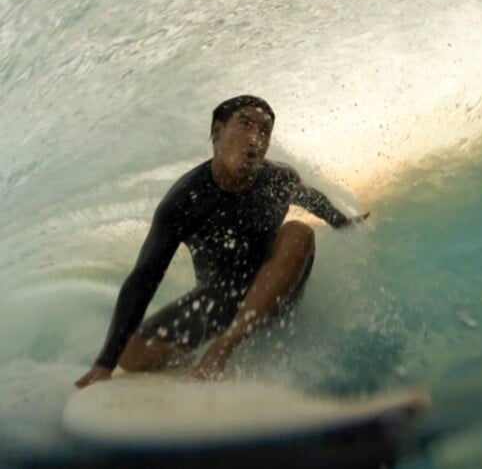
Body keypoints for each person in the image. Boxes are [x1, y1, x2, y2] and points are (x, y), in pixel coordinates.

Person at [75, 95, 369, 388]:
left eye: (265, 130)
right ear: (218, 130)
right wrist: (105, 363)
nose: (255, 138)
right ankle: (200, 352)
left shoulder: (278, 179)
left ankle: (223, 348)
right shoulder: (184, 200)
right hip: (219, 301)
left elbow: (311, 198)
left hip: (276, 294)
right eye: (245, 124)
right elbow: (144, 278)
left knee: (299, 232)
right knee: (132, 356)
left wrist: (342, 222)